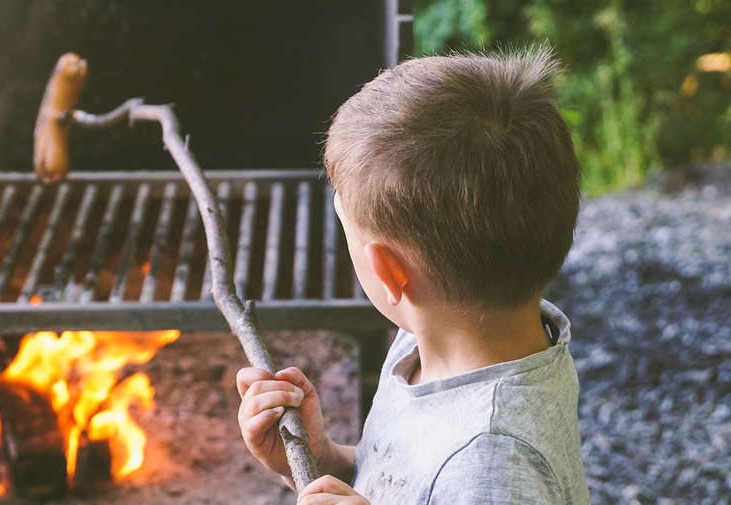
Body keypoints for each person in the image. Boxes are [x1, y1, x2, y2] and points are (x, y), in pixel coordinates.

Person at [236, 47, 590, 505]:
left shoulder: (491, 463)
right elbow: (397, 484)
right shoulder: (428, 340)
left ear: (390, 272)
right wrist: (316, 459)